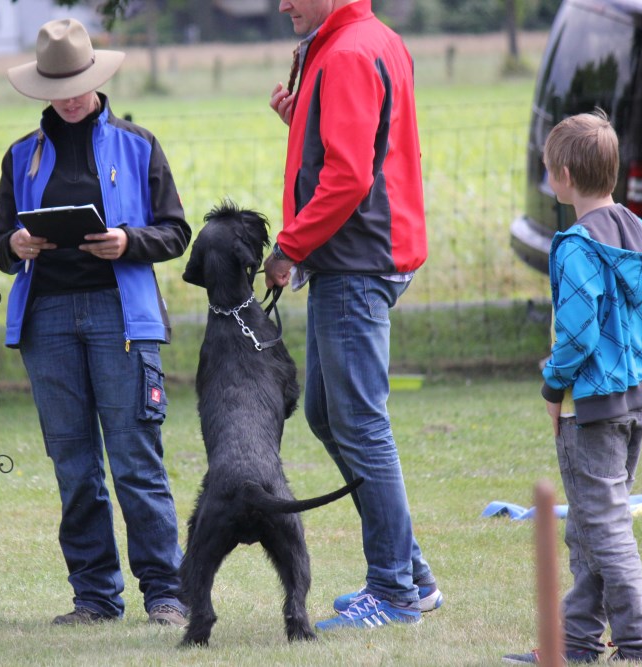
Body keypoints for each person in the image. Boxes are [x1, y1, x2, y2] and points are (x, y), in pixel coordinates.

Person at [0, 18, 191, 628]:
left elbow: (176, 231)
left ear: (97, 80)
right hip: (45, 319)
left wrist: (128, 241)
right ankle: (95, 597)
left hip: (121, 317)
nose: (71, 95)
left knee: (135, 460)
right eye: (59, 85)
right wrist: (15, 244)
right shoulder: (20, 155)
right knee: (74, 466)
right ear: (43, 88)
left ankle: (166, 593)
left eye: (80, 82)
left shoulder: (139, 143)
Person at [264, 0, 441, 631]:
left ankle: (393, 589)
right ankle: (412, 574)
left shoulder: (343, 53)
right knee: (324, 412)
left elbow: (346, 176)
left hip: (355, 259)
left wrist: (289, 246)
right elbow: (362, 145)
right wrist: (301, 121)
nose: (282, 2)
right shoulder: (367, 38)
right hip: (359, 253)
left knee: (360, 423)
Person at [503, 112, 642, 664]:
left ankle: (640, 645)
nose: (549, 178)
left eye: (550, 170)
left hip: (591, 410)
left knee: (607, 529)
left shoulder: (577, 247)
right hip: (637, 399)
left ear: (565, 175)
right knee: (591, 526)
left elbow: (575, 334)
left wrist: (553, 387)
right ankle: (573, 642)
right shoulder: (639, 234)